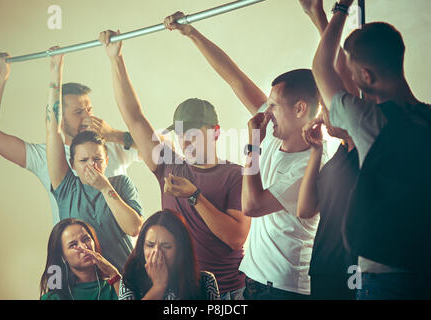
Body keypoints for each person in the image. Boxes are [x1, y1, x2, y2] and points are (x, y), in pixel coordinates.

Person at [164, 12, 324, 299]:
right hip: (253, 280)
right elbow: (234, 78)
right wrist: (192, 34)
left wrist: (253, 144)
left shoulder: (308, 165)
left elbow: (252, 205)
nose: (266, 111)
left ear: (300, 109)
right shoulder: (277, 133)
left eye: (274, 105)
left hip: (284, 290)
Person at [98, 29, 250, 300]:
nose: (184, 142)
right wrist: (115, 59)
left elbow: (236, 238)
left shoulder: (236, 175)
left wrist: (194, 196)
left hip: (227, 293)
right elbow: (134, 119)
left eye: (192, 134)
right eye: (180, 135)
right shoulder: (169, 164)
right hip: (177, 292)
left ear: (215, 132)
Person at [312, 0, 431, 299]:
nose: (350, 80)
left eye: (353, 74)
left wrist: (340, 8)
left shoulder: (369, 119)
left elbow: (321, 67)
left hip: (383, 274)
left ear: (366, 76)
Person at [0, 52, 139, 226]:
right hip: (73, 249)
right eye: (79, 112)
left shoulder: (112, 145)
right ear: (61, 119)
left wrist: (114, 135)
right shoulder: (43, 156)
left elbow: (160, 149)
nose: (88, 117)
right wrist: (2, 76)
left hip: (121, 251)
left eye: (89, 109)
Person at [45, 48, 143, 271]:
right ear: (72, 165)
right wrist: (55, 70)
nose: (92, 165)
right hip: (82, 285)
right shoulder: (67, 188)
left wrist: (105, 186)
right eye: (84, 160)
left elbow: (134, 228)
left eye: (97, 158)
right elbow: (52, 127)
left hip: (125, 281)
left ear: (106, 159)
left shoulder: (120, 184)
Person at [295, 0, 359, 300]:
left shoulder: (364, 146)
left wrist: (330, 13)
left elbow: (340, 77)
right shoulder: (339, 155)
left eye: (327, 105)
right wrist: (316, 153)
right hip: (323, 271)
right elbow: (306, 209)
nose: (322, 112)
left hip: (354, 275)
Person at [119, 209, 220, 300]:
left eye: (166, 246)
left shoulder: (205, 282)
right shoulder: (130, 280)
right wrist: (158, 287)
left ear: (181, 250)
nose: (156, 252)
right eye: (150, 245)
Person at [40, 218, 121, 300]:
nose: (84, 247)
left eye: (86, 239)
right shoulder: (54, 297)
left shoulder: (115, 284)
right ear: (62, 256)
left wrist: (114, 274)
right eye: (73, 245)